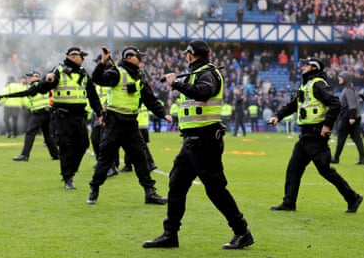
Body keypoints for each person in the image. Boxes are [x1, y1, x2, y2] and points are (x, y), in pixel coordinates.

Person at [143, 40, 254, 250]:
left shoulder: (208, 73)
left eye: (187, 54)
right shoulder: (200, 72)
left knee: (215, 189)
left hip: (205, 140)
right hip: (193, 141)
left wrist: (176, 83)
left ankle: (242, 232)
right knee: (176, 184)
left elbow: (204, 92)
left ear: (191, 55)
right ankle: (170, 234)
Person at [268, 57, 363, 213]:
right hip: (306, 135)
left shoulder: (318, 84)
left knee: (325, 170)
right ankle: (289, 202)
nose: (303, 67)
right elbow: (293, 105)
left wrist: (327, 125)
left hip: (315, 135)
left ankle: (353, 197)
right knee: (294, 168)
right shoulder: (306, 86)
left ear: (314, 68)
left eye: (307, 65)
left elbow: (335, 103)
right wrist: (277, 116)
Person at [86, 46, 171, 205]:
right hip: (114, 124)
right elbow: (97, 79)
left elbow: (149, 99)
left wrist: (163, 114)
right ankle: (94, 190)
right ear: (130, 57)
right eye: (139, 56)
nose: (141, 59)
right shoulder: (116, 72)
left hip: (131, 124)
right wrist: (103, 63)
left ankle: (150, 193)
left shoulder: (139, 76)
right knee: (105, 159)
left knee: (141, 159)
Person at [38, 47, 103, 190]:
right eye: (81, 56)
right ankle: (67, 177)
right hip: (63, 115)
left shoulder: (84, 74)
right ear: (73, 57)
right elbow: (42, 89)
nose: (83, 59)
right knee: (66, 146)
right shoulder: (58, 71)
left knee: (83, 145)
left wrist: (100, 113)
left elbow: (93, 96)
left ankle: (70, 171)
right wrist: (47, 81)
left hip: (79, 116)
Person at [0, 71, 59, 161]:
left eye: (30, 76)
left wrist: (4, 96)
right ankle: (56, 155)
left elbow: (23, 93)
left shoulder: (37, 85)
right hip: (46, 112)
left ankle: (24, 155)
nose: (28, 78)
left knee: (30, 133)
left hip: (39, 113)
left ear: (36, 77)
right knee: (47, 135)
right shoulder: (41, 85)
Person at [331, 71, 364, 165]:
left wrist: (351, 117)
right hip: (353, 117)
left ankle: (336, 158)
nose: (339, 79)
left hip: (348, 117)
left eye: (341, 77)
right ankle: (362, 159)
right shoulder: (350, 89)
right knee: (356, 138)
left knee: (341, 138)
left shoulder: (348, 90)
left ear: (346, 79)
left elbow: (352, 105)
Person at [120, 104, 157, 172]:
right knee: (129, 143)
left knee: (141, 145)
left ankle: (150, 163)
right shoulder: (143, 99)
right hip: (143, 124)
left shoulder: (134, 99)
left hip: (136, 124)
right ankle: (128, 165)